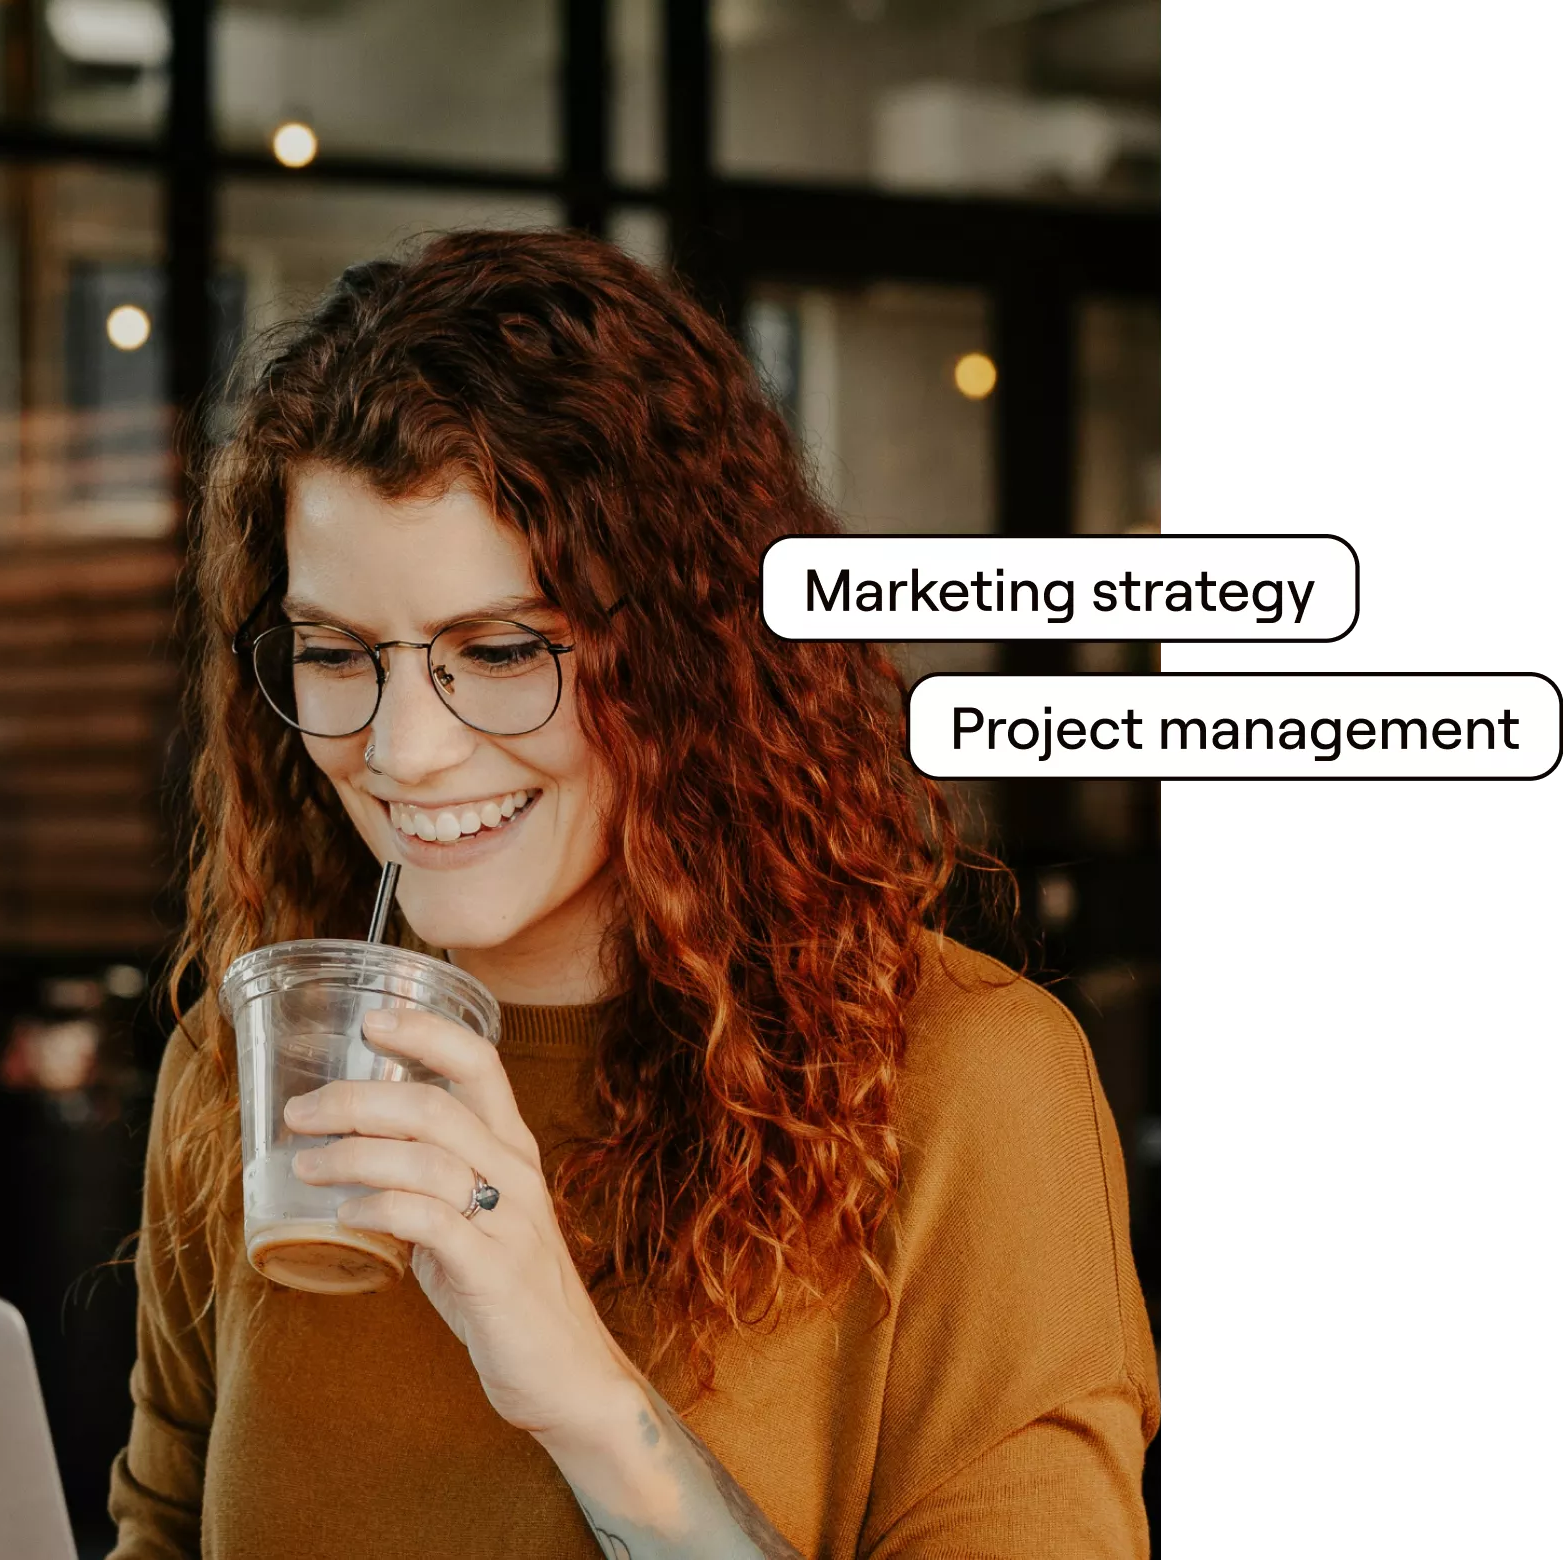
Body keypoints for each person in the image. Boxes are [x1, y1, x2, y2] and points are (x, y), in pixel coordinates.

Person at [108, 228, 1157, 1559]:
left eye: (499, 649)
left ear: (684, 652)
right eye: (335, 651)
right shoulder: (253, 1067)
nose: (400, 751)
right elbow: (157, 1531)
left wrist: (585, 1398)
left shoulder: (966, 1090)